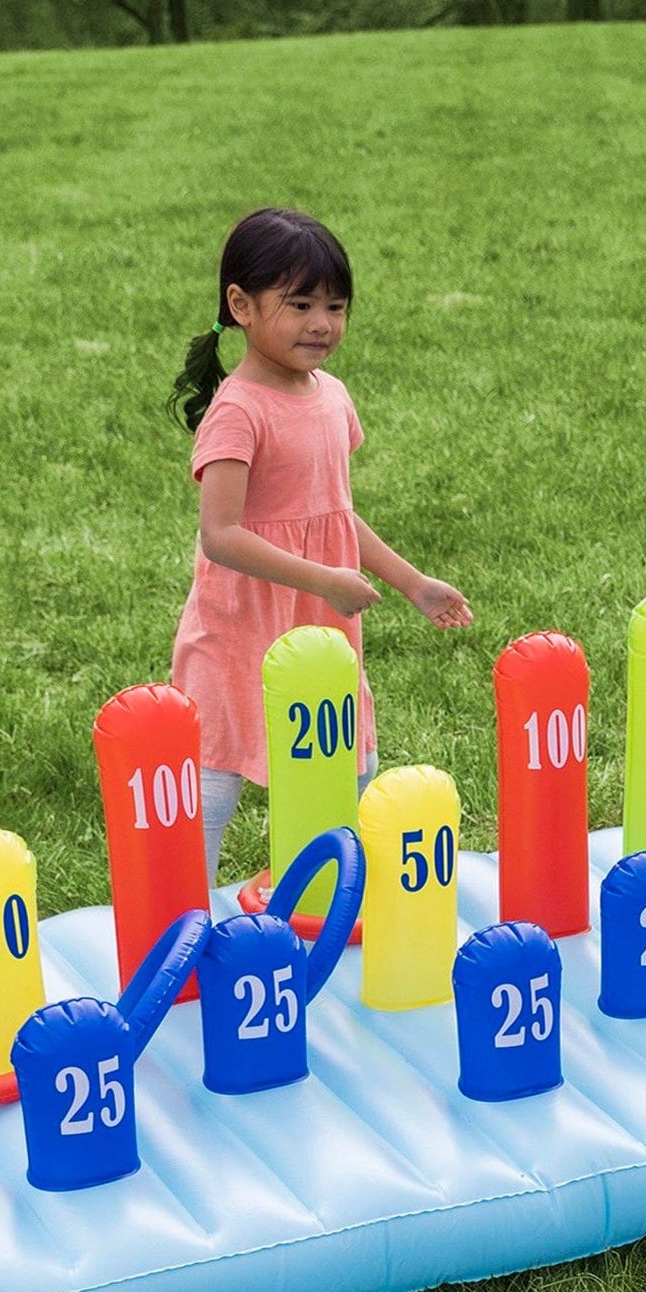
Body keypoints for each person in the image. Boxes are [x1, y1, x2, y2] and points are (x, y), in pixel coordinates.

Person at [169, 207, 472, 880]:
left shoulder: (332, 397)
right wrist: (323, 578)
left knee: (348, 757)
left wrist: (412, 582)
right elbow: (220, 536)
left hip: (317, 618)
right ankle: (182, 914)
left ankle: (333, 891)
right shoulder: (238, 410)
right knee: (217, 761)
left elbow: (335, 515)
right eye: (300, 303)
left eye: (335, 306)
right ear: (241, 305)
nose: (321, 323)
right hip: (239, 624)